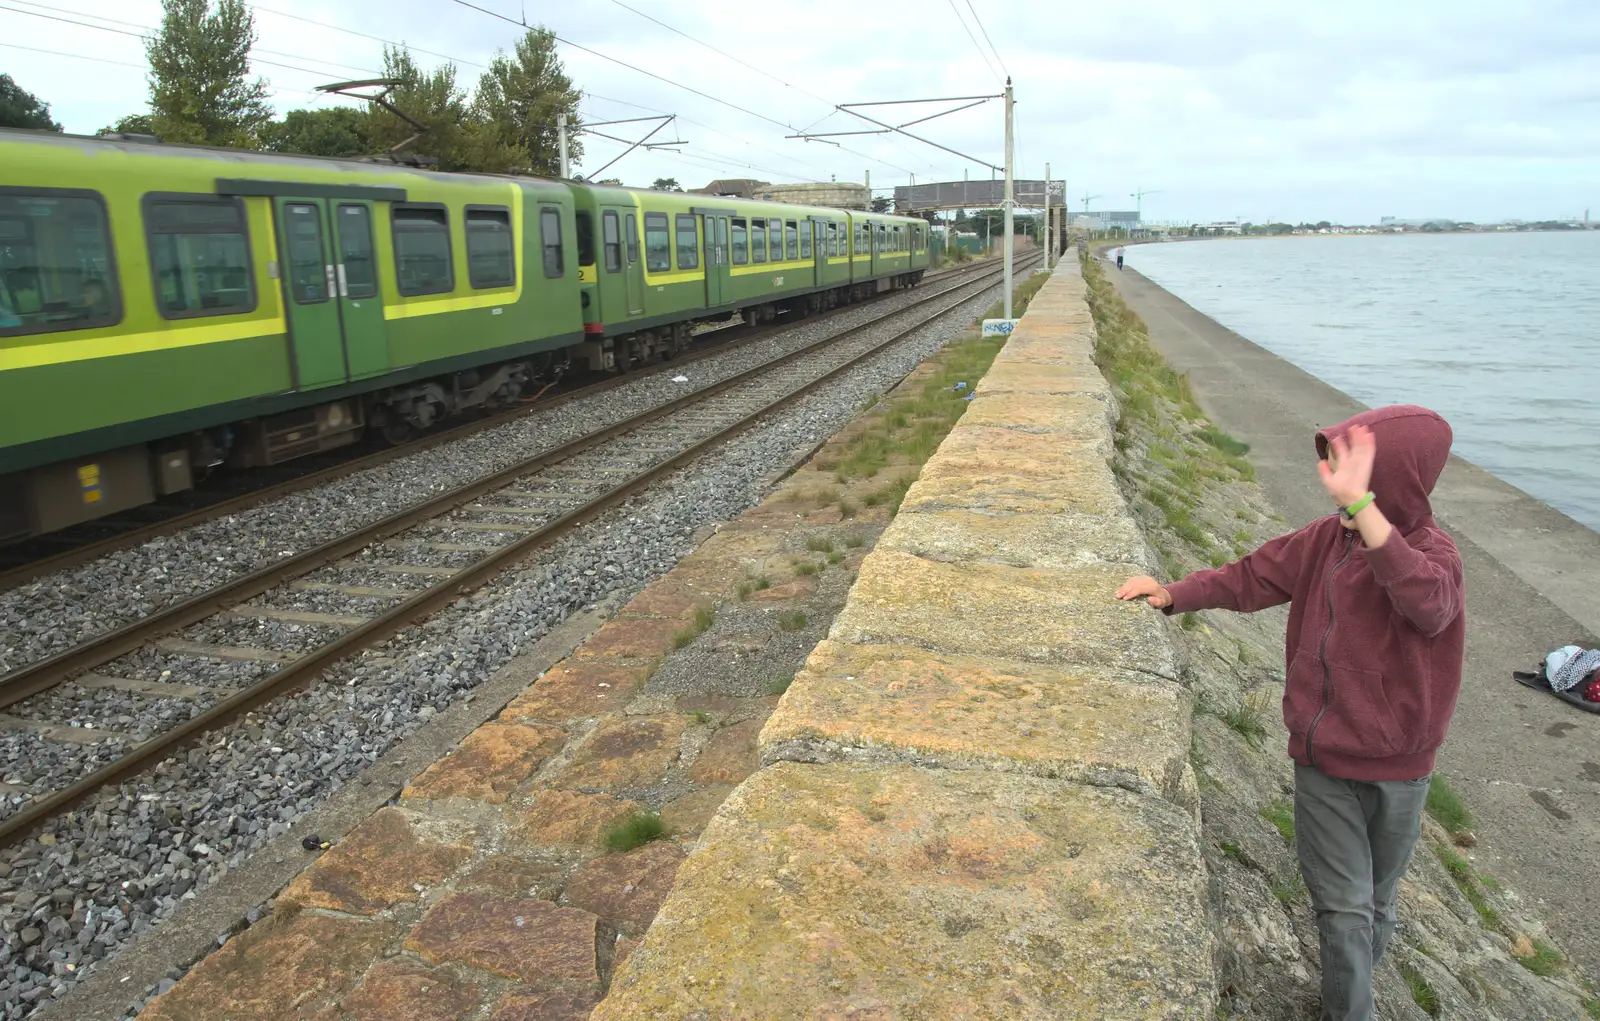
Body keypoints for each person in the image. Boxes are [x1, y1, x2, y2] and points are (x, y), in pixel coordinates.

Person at [1116, 406, 1465, 1021]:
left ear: (1397, 479)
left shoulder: (1435, 556)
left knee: (1377, 903)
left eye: (1349, 466)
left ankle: (1346, 993)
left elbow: (1427, 606)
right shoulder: (1324, 540)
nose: (1331, 477)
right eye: (1334, 463)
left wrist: (1365, 513)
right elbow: (1251, 577)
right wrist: (1175, 594)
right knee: (1343, 906)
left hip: (1403, 768)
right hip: (1325, 759)